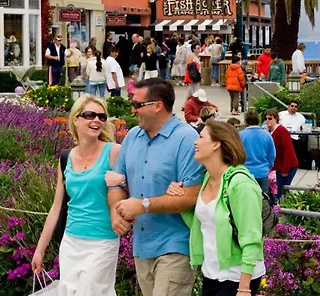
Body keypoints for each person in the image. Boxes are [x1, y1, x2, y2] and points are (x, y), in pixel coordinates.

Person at [106, 78, 205, 296]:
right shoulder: (132, 136)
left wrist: (143, 205)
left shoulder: (186, 139)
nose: (133, 110)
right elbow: (116, 182)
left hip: (175, 247)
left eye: (137, 104)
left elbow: (191, 196)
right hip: (142, 248)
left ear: (158, 105)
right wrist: (116, 212)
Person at [166, 119, 266, 296]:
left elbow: (251, 237)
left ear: (216, 144)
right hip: (211, 275)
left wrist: (244, 288)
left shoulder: (241, 184)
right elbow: (199, 224)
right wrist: (179, 197)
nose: (195, 142)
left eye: (201, 137)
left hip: (237, 279)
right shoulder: (207, 179)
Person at [32, 95, 121, 294]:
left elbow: (135, 185)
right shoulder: (67, 157)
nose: (96, 120)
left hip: (103, 242)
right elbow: (57, 207)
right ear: (76, 119)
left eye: (101, 116)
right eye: (90, 115)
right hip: (71, 242)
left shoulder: (114, 152)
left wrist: (121, 181)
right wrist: (40, 250)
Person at [263, 109, 299, 201]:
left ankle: (283, 206)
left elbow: (288, 151)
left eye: (270, 118)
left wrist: (285, 169)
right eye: (266, 119)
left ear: (276, 119)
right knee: (276, 190)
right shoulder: (269, 132)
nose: (267, 120)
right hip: (277, 166)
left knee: (281, 190)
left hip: (287, 165)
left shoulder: (281, 131)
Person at [239, 108, 276, 193]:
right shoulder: (267, 135)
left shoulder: (241, 135)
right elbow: (272, 155)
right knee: (264, 198)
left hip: (246, 173)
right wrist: (268, 167)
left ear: (246, 121)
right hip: (262, 172)